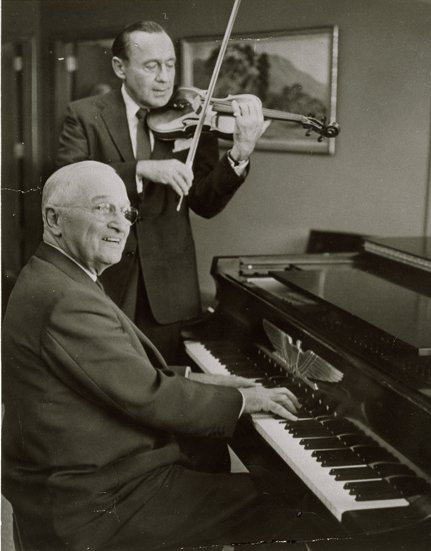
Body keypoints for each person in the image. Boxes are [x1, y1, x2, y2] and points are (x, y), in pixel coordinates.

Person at [2, 161, 332, 551]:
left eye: (126, 213)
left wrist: (205, 380)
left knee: (213, 456)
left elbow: (118, 372)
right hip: (99, 501)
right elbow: (147, 394)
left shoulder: (56, 277)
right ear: (54, 219)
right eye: (102, 208)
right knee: (297, 501)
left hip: (79, 479)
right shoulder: (66, 300)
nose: (121, 224)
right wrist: (245, 399)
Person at [56, 20, 265, 363]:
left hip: (168, 290)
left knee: (165, 391)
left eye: (170, 65)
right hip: (103, 280)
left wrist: (239, 153)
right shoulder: (84, 115)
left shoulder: (194, 116)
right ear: (120, 67)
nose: (165, 77)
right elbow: (65, 183)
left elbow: (205, 202)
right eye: (151, 66)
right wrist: (141, 168)